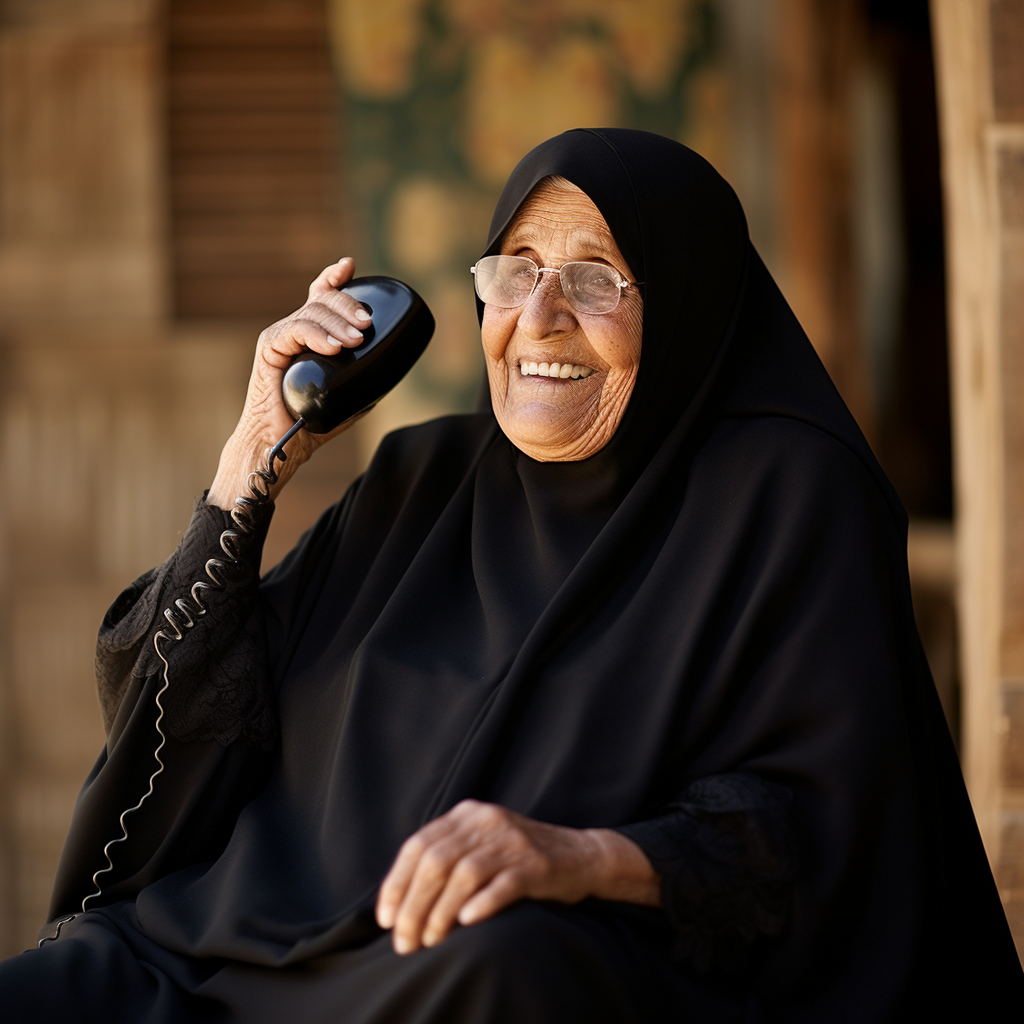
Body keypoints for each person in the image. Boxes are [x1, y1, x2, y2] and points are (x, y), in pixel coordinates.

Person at [3, 128, 1022, 1021]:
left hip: (484, 972)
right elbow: (193, 724)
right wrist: (250, 465)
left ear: (682, 303)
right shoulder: (424, 475)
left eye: (595, 275)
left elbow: (828, 828)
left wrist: (575, 856)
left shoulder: (788, 498)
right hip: (233, 958)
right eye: (514, 267)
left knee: (505, 971)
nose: (538, 316)